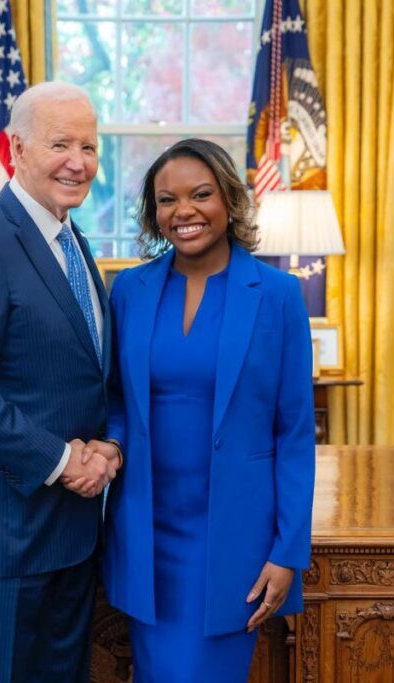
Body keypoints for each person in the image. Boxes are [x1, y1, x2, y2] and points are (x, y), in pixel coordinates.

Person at [98, 138, 316, 681]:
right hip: (147, 531)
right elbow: (116, 402)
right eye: (167, 200)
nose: (184, 212)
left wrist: (288, 551)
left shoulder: (278, 294)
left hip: (235, 537)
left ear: (229, 201)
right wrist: (110, 445)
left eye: (200, 195)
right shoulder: (129, 290)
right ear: (154, 213)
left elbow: (294, 434)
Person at [0, 82, 123, 682]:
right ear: (17, 147)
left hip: (74, 530)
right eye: (60, 144)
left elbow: (88, 372)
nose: (78, 161)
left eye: (89, 147)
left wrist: (107, 448)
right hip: (5, 530)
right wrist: (63, 460)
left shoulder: (72, 238)